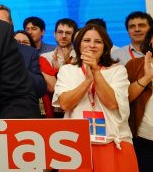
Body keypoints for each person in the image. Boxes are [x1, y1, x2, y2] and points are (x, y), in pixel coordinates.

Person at [52, 25, 138, 171]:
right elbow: (65, 104)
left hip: (114, 142)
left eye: (98, 41)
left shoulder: (118, 70)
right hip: (76, 144)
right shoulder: (67, 70)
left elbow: (111, 103)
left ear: (105, 46)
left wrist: (96, 72)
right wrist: (87, 81)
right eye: (86, 40)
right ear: (78, 45)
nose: (92, 45)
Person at [0, 4, 46, 99]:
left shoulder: (29, 52)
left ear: (11, 25)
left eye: (1, 23)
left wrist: (16, 64)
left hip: (18, 108)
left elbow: (40, 89)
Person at [125, 27, 153, 172]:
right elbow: (124, 99)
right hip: (143, 139)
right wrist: (147, 77)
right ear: (151, 40)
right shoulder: (135, 65)